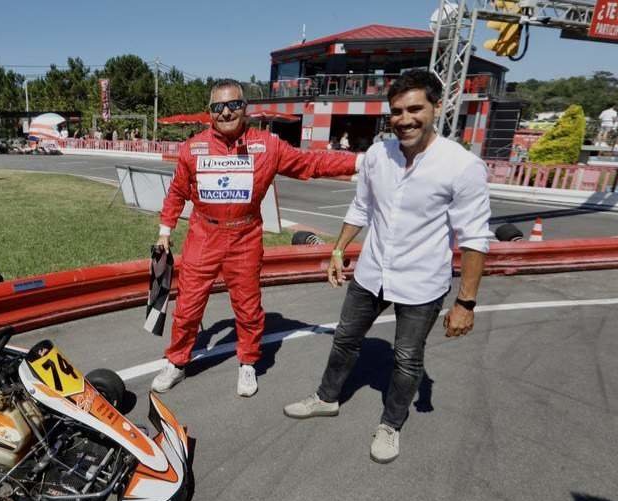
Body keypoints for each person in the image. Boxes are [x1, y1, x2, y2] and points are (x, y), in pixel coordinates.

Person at [283, 70, 493, 464]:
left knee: (407, 358)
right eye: (396, 111)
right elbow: (362, 207)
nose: (405, 119)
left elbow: (474, 238)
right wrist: (337, 249)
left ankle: (391, 425)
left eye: (415, 109)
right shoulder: (379, 155)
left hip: (422, 283)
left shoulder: (462, 166)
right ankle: (326, 398)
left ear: (437, 107)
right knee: (345, 339)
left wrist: (466, 303)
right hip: (371, 272)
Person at [151, 79, 360, 397]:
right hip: (203, 235)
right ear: (210, 112)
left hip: (245, 236)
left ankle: (248, 362)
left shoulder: (268, 145)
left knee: (248, 308)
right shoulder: (192, 148)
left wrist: (358, 161)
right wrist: (165, 231)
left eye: (233, 105)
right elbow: (177, 193)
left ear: (244, 108)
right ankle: (177, 362)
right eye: (218, 107)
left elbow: (310, 163)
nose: (226, 112)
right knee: (189, 306)